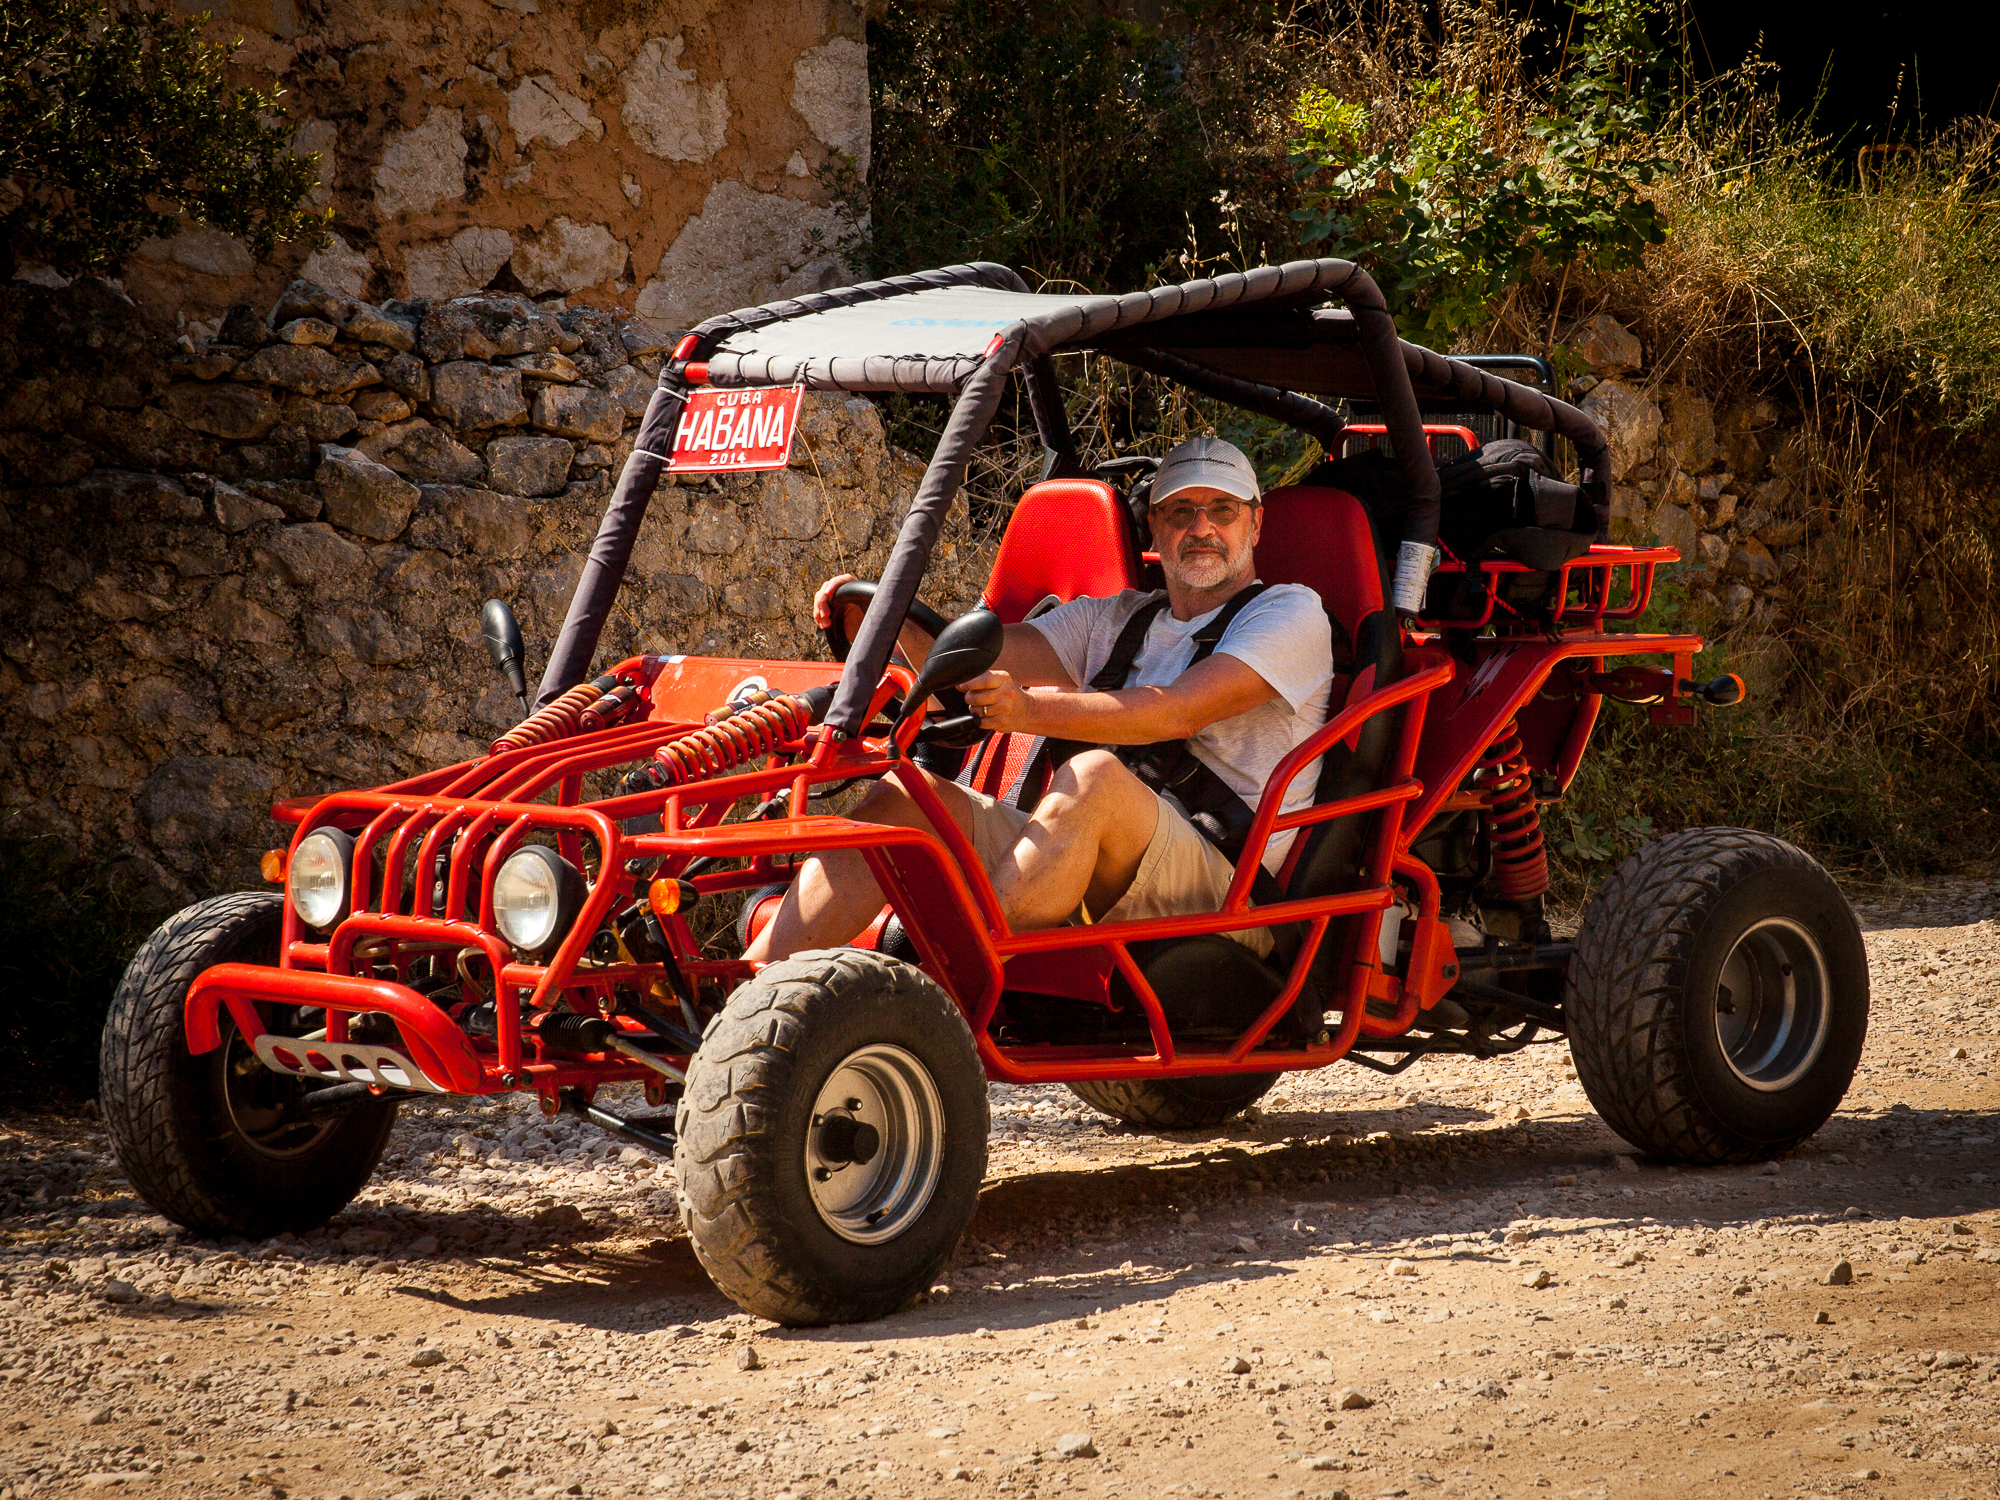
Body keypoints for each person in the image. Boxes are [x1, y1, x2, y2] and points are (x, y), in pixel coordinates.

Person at [744, 434, 1334, 963]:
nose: (1202, 527)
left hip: (1224, 881)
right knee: (907, 797)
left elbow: (1176, 710)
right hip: (1103, 851)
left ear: (1255, 526)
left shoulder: (1290, 611)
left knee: (1095, 777)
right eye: (1181, 511)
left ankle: (943, 989)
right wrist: (884, 616)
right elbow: (974, 662)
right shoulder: (1116, 617)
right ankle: (743, 997)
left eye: (1223, 511)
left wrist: (1028, 710)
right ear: (1155, 527)